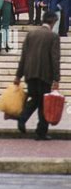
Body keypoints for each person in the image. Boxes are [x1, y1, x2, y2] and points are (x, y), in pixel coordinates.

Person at [14, 11, 60, 140]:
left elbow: (23, 56)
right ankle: (40, 131)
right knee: (42, 103)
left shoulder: (31, 34)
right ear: (53, 22)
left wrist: (18, 75)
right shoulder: (53, 37)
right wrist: (56, 79)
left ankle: (24, 120)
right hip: (45, 74)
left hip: (30, 73)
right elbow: (55, 59)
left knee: (35, 99)